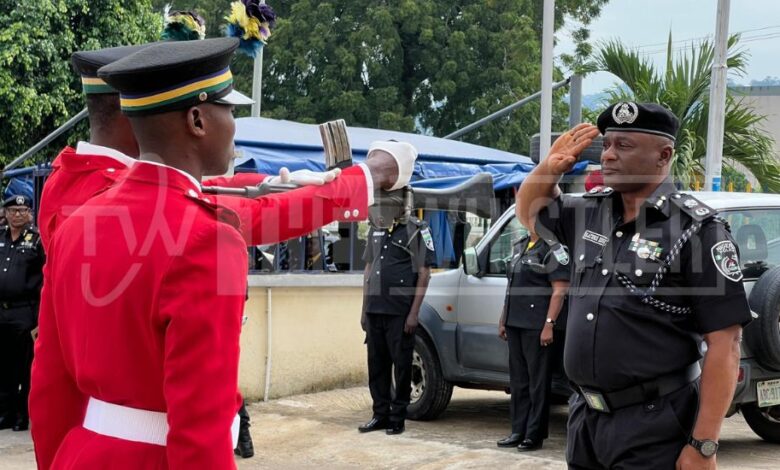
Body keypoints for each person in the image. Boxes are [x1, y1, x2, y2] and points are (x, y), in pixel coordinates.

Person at [28, 37, 414, 469]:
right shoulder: (204, 240)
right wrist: (361, 179)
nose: (235, 121)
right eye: (228, 109)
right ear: (196, 119)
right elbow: (199, 434)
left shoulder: (75, 208)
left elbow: (50, 388)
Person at [517, 103, 752, 469]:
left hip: (655, 425)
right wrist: (546, 169)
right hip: (586, 421)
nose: (608, 155)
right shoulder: (590, 212)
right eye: (607, 144)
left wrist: (704, 445)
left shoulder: (697, 230)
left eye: (623, 146)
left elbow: (725, 344)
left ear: (664, 155)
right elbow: (529, 214)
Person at [358, 156, 436, 435]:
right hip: (376, 308)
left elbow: (424, 274)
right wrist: (364, 308)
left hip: (400, 311)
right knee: (376, 365)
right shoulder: (376, 230)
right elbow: (368, 269)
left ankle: (397, 418)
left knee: (401, 366)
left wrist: (414, 313)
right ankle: (379, 414)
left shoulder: (417, 231)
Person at [496, 229, 569, 452]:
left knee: (538, 383)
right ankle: (518, 430)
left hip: (537, 326)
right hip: (515, 322)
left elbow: (560, 290)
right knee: (518, 382)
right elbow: (512, 288)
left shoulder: (554, 248)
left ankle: (534, 435)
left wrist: (549, 324)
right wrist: (503, 318)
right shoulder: (520, 244)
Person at [0, 195, 44, 432]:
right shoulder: (0, 237)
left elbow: (45, 278)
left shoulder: (36, 241)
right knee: (3, 366)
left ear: (29, 213)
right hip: (1, 311)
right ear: (5, 213)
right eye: (13, 210)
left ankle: (20, 415)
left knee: (23, 368)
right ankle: (5, 412)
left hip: (24, 312)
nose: (18, 214)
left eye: (23, 210)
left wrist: (38, 318)